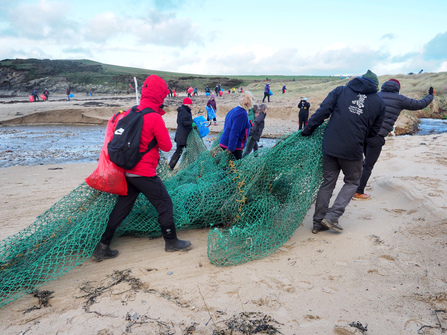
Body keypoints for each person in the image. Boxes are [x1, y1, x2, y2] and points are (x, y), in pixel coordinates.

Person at [92, 75, 192, 262]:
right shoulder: (153, 117)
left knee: (122, 208)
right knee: (164, 204)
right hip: (143, 173)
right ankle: (171, 241)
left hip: (126, 171)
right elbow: (167, 147)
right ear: (160, 95)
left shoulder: (132, 112)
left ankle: (102, 246)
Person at [301, 70, 385, 234]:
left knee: (328, 182)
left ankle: (318, 223)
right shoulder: (379, 102)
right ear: (375, 85)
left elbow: (323, 112)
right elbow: (374, 131)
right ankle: (332, 217)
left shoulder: (341, 90)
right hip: (353, 148)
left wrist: (309, 128)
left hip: (331, 145)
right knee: (353, 181)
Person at [353, 79, 435, 200]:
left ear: (384, 86)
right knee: (368, 165)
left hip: (362, 134)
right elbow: (420, 104)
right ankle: (358, 192)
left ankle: (353, 186)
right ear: (398, 88)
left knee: (362, 162)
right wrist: (430, 96)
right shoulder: (400, 99)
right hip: (377, 137)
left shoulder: (374, 96)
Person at [219, 91, 254, 160]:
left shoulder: (234, 110)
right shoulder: (242, 114)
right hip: (233, 147)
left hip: (225, 143)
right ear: (249, 103)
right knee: (233, 169)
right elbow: (235, 132)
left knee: (225, 168)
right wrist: (230, 149)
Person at [169, 98, 194, 170]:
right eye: (190, 104)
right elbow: (183, 122)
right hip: (184, 136)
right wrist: (191, 123)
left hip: (180, 135)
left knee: (178, 152)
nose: (191, 106)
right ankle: (191, 166)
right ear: (186, 104)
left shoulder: (181, 111)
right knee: (189, 151)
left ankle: (170, 167)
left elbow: (178, 122)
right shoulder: (185, 112)